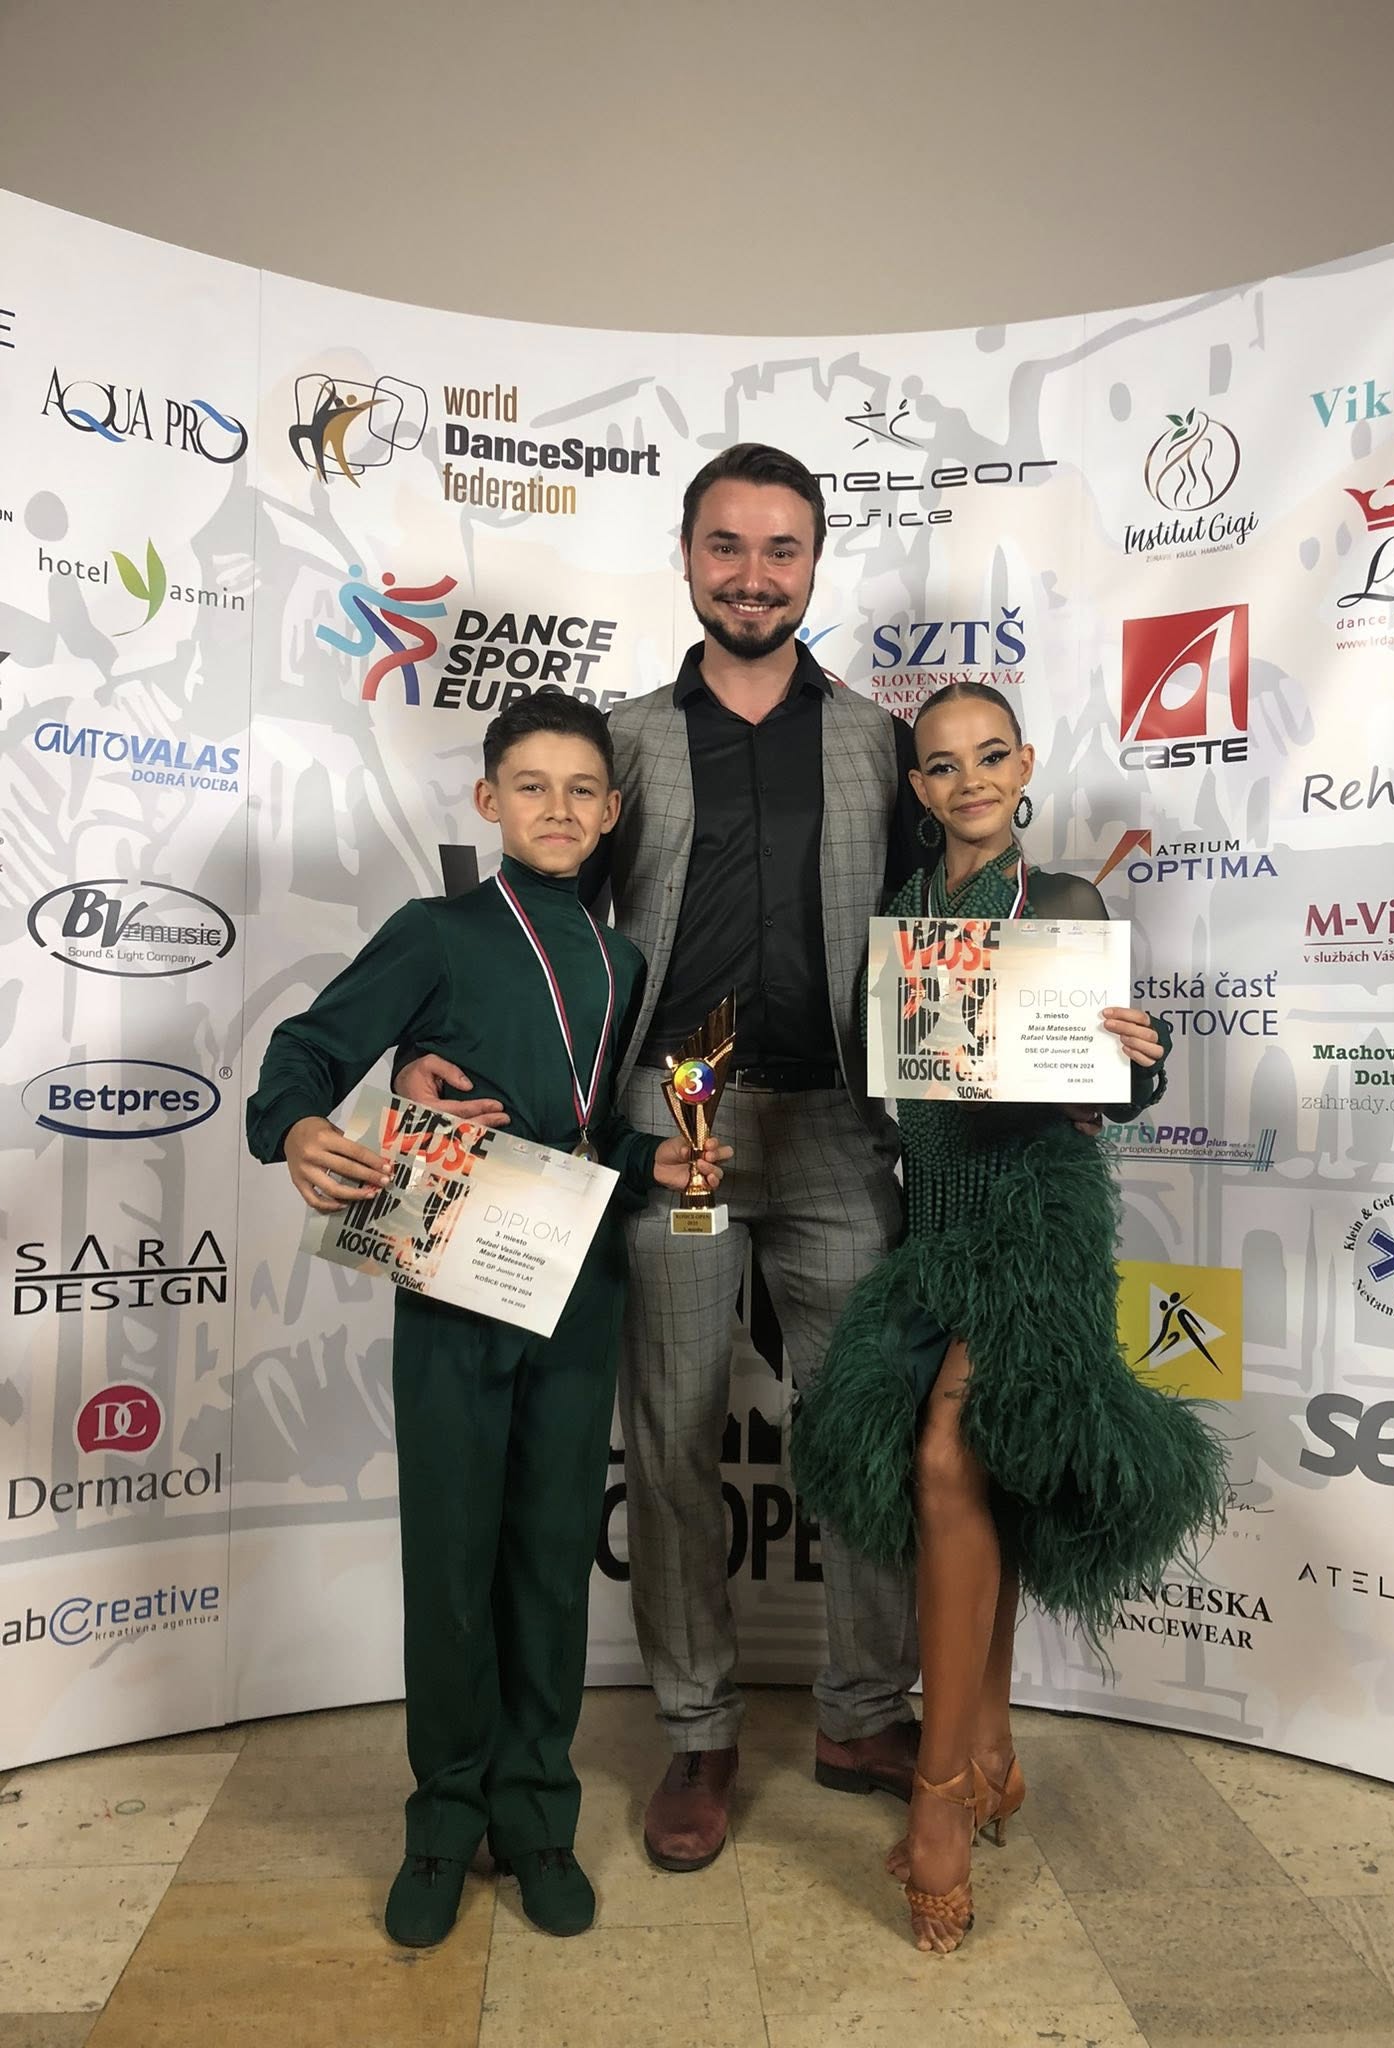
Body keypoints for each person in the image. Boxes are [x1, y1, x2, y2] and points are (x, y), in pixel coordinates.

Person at [398, 443, 929, 1874]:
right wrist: (428, 1046)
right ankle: (697, 1730)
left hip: (834, 1132)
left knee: (863, 1433)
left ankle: (863, 1713)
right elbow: (529, 923)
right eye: (727, 547)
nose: (754, 575)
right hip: (662, 1134)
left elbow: (940, 928)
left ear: (814, 563)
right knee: (676, 1438)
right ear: (687, 557)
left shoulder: (879, 742)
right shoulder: (623, 741)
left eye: (781, 549)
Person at [245, 695, 727, 1948]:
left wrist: (655, 1161)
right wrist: (298, 1126)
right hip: (453, 1273)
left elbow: (582, 1132)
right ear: (488, 801)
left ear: (611, 812)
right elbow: (307, 1048)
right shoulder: (437, 931)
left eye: (581, 789)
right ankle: (441, 1821)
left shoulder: (621, 961)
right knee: (452, 1557)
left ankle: (537, 1816)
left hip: (573, 1277)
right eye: (532, 786)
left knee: (550, 1556)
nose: (558, 808)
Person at [791, 679, 1228, 1954]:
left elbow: (1112, 1080)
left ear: (1025, 766)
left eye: (991, 756)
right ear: (917, 785)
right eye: (942, 763)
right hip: (932, 1221)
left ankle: (938, 1789)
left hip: (1034, 1221)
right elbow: (899, 1084)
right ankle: (990, 1738)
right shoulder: (902, 915)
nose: (968, 779)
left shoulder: (1065, 903)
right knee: (973, 1474)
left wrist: (1139, 1061)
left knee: (947, 1459)